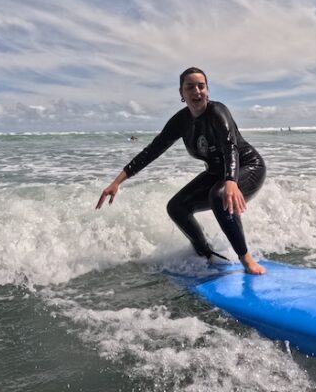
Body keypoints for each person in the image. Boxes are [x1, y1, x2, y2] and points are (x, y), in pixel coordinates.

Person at [96, 67, 267, 275]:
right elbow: (151, 151)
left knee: (219, 194)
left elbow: (230, 145)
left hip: (247, 166)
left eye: (201, 86)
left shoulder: (218, 112)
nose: (196, 91)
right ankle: (206, 254)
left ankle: (246, 259)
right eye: (190, 87)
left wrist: (231, 180)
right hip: (217, 173)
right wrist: (117, 181)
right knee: (177, 207)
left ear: (207, 90)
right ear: (181, 93)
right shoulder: (181, 121)